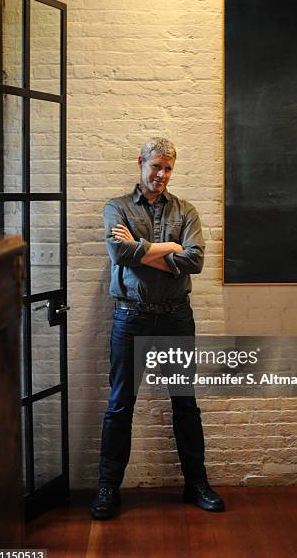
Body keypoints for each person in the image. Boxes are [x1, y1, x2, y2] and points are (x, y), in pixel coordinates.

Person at [91, 137, 225, 519]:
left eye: (168, 168)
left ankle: (196, 484)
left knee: (185, 403)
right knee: (120, 404)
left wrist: (146, 248)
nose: (162, 175)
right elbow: (120, 253)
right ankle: (107, 488)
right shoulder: (116, 207)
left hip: (176, 317)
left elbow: (195, 260)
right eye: (156, 167)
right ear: (141, 163)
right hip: (130, 317)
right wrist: (169, 247)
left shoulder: (187, 210)